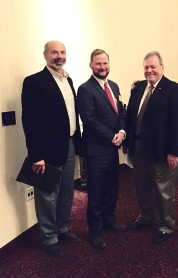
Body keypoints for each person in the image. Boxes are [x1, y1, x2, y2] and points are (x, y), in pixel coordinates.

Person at [21, 40, 82, 257]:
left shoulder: (68, 80)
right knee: (47, 193)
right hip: (46, 152)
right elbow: (30, 121)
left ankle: (62, 227)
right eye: (54, 52)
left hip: (70, 144)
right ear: (45, 55)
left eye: (62, 52)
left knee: (67, 190)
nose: (59, 56)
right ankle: (49, 237)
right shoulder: (34, 82)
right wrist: (36, 155)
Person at [123, 51, 178, 244]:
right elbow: (130, 117)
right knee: (141, 185)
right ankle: (146, 216)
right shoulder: (138, 88)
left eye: (153, 67)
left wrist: (175, 151)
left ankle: (165, 226)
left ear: (162, 68)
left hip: (162, 150)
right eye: (146, 67)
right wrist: (127, 143)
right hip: (139, 147)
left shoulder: (173, 90)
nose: (149, 70)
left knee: (163, 190)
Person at [77, 49, 127, 250]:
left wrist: (122, 131)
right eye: (98, 64)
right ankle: (95, 231)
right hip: (97, 149)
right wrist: (111, 137)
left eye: (105, 63)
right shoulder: (85, 89)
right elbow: (89, 120)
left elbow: (121, 111)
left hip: (113, 147)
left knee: (111, 187)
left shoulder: (113, 86)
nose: (102, 67)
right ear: (91, 65)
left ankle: (109, 221)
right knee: (96, 191)